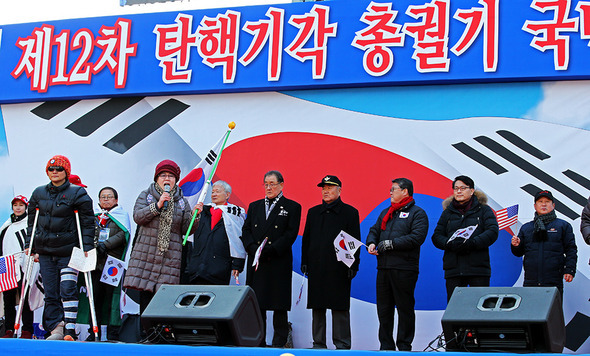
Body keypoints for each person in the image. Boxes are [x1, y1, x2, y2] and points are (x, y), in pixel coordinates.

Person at [26, 155, 95, 341]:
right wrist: (29, 245)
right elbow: (32, 223)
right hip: (46, 251)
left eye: (59, 169)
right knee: (50, 292)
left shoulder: (78, 193)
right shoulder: (38, 193)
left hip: (69, 251)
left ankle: (70, 330)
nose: (54, 172)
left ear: (66, 172)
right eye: (51, 169)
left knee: (67, 288)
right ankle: (57, 328)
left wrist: (87, 246)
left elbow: (88, 223)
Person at [123, 159, 197, 316]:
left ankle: (160, 335)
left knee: (163, 300)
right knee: (146, 297)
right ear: (156, 178)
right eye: (163, 175)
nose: (167, 179)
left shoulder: (182, 202)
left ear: (176, 179)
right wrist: (157, 206)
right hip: (146, 255)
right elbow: (138, 217)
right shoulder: (147, 196)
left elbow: (186, 229)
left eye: (171, 175)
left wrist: (194, 217)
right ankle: (145, 335)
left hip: (169, 258)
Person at [366, 178, 428, 351]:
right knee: (384, 309)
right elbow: (374, 231)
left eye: (394, 189)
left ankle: (404, 345)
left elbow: (417, 237)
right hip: (384, 267)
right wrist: (371, 242)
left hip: (404, 268)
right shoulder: (387, 212)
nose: (390, 192)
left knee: (404, 308)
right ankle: (386, 345)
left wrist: (391, 244)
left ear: (405, 191)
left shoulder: (418, 213)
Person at [241, 170, 301, 347]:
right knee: (257, 304)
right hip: (257, 261)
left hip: (278, 261)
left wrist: (272, 249)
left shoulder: (292, 207)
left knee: (279, 304)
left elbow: (291, 234)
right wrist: (252, 248)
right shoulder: (254, 206)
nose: (268, 187)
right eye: (265, 183)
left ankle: (279, 343)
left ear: (281, 185)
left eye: (272, 184)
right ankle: (258, 341)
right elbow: (246, 230)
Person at [301, 175, 360, 350]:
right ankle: (318, 343)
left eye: (330, 187)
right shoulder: (313, 212)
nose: (326, 191)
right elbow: (306, 239)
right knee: (317, 306)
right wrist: (305, 261)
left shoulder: (350, 212)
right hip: (317, 266)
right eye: (323, 188)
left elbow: (354, 240)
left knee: (339, 306)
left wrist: (353, 265)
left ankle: (342, 344)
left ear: (339, 190)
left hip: (339, 267)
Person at [431, 175, 499, 301]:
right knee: (455, 310)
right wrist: (448, 243)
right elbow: (436, 236)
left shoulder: (484, 210)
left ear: (472, 190)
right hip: (454, 269)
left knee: (480, 309)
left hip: (478, 268)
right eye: (456, 188)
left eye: (463, 188)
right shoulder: (447, 212)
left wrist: (472, 243)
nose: (459, 191)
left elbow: (492, 231)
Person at [80, 187, 131, 341]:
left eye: (109, 197)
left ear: (116, 200)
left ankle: (113, 332)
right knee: (94, 297)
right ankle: (93, 330)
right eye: (103, 197)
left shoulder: (121, 216)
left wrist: (105, 245)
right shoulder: (93, 216)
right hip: (95, 263)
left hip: (112, 263)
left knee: (112, 299)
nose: (106, 199)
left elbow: (123, 234)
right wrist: (94, 247)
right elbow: (86, 233)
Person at [511, 190, 577, 297]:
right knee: (531, 312)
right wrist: (516, 245)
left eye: (547, 201)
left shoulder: (563, 226)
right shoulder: (526, 228)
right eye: (540, 201)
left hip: (553, 280)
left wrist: (570, 269)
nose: (543, 204)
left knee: (553, 312)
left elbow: (571, 250)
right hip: (531, 280)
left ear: (553, 205)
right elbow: (519, 253)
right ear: (535, 206)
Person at [184, 181, 246, 285]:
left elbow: (237, 239)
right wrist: (194, 215)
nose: (214, 194)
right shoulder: (203, 210)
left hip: (219, 267)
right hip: (197, 266)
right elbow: (189, 232)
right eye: (212, 192)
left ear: (227, 195)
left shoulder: (235, 212)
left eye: (217, 192)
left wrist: (237, 264)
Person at [0, 195, 35, 338]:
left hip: (23, 263)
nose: (18, 208)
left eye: (21, 205)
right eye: (15, 205)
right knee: (8, 298)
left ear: (26, 207)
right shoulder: (7, 224)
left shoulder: (29, 224)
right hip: (5, 263)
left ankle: (27, 330)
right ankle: (9, 329)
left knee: (25, 297)